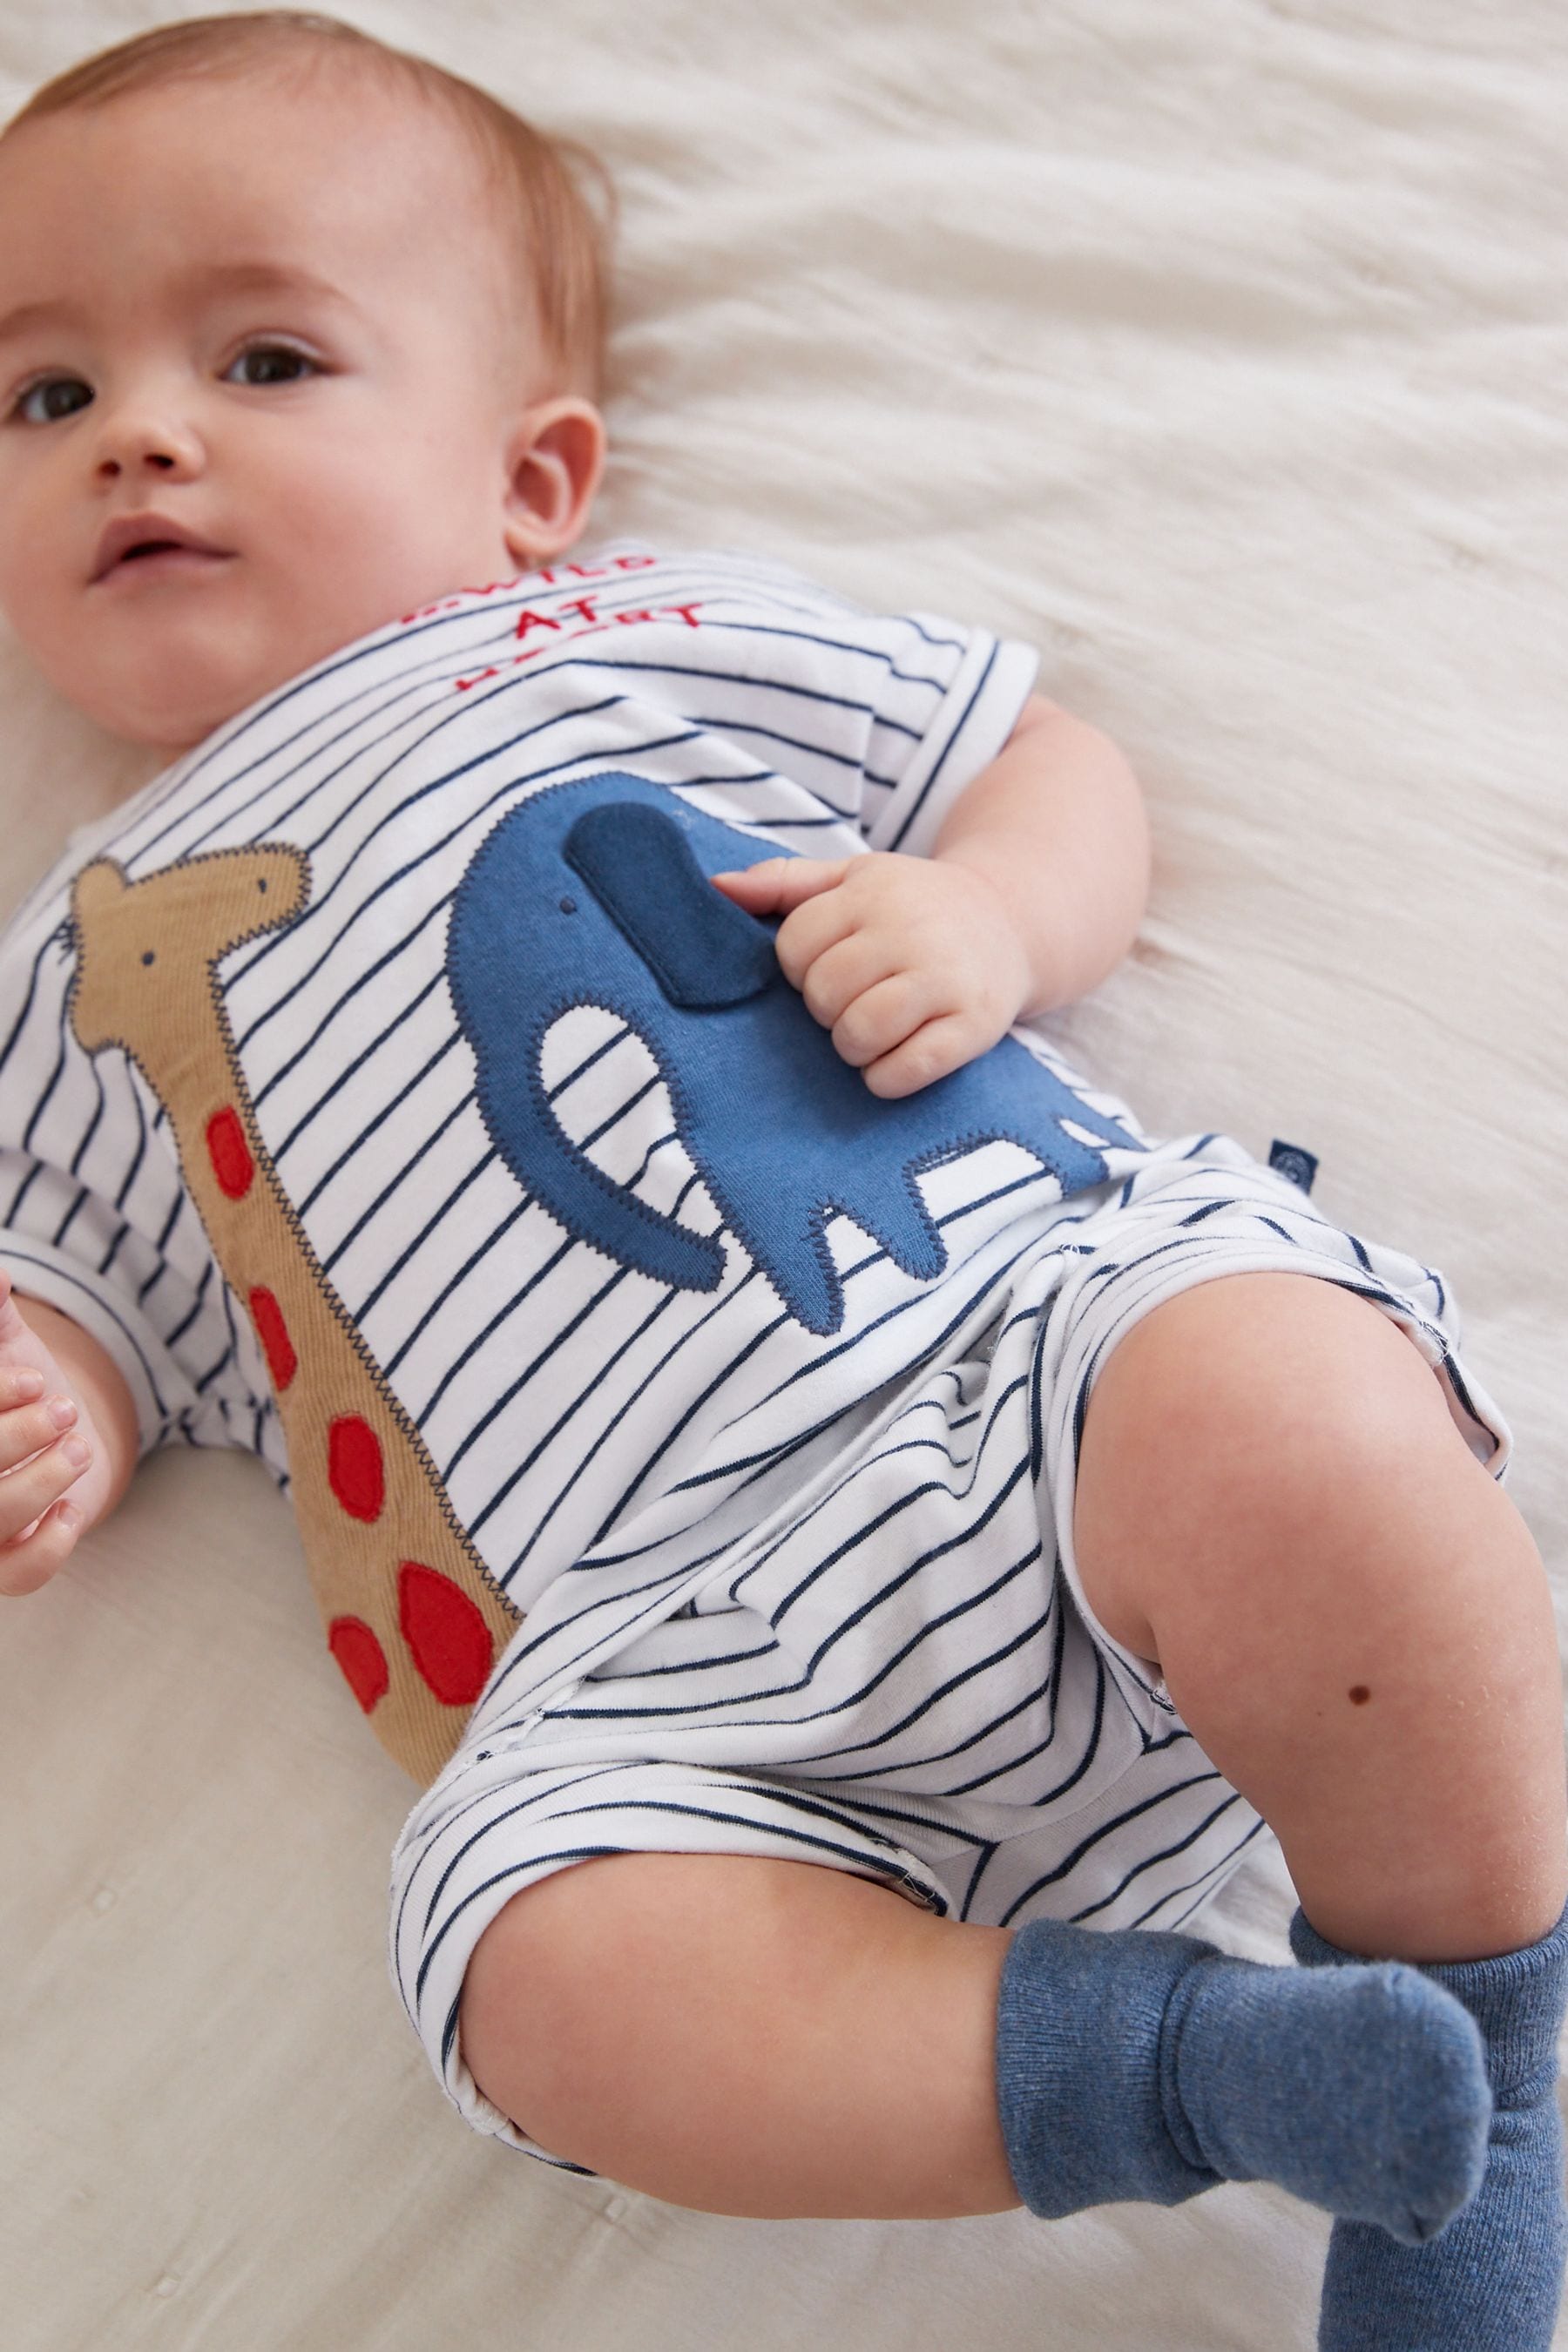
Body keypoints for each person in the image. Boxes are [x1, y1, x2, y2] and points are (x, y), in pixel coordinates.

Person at [0, 14, 1563, 2347]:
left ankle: (1486, 2062)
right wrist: (58, 1403)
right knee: (535, 1979)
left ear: (533, 480)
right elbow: (78, 1277)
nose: (144, 427)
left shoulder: (621, 636)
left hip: (1016, 1349)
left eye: (268, 353)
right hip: (653, 1654)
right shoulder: (68, 945)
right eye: (40, 397)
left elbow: (1050, 763)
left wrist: (990, 916)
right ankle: (1198, 2067)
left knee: (1306, 1419)